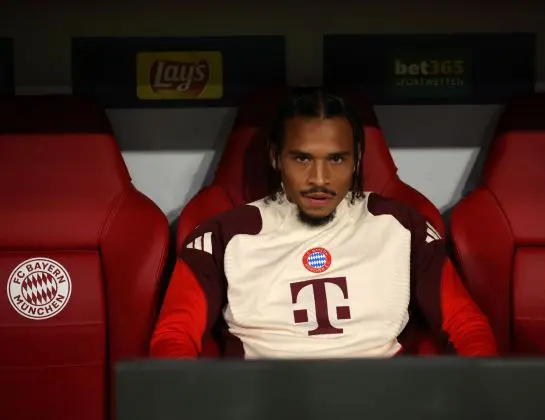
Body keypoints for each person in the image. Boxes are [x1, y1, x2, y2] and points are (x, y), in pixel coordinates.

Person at [150, 88, 497, 359]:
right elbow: (174, 336)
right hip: (263, 403)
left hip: (380, 401)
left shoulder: (402, 225)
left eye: (336, 159)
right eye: (302, 158)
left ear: (357, 159)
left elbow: (464, 324)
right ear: (275, 157)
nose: (319, 178)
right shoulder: (221, 235)